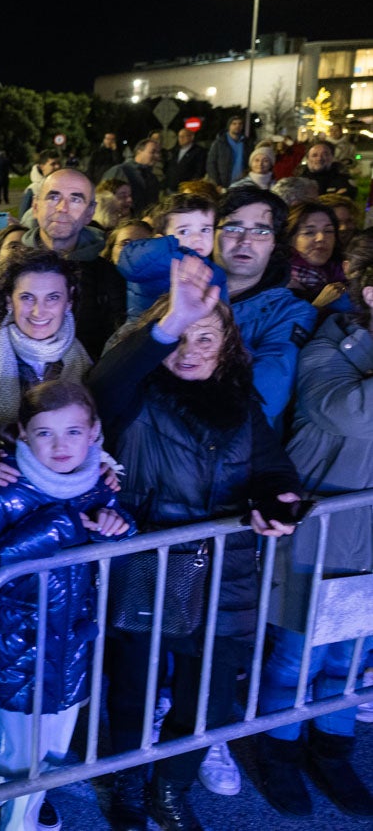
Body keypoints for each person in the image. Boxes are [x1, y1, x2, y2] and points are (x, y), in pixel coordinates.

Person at [89, 257, 302, 831]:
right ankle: (131, 787)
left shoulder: (242, 405)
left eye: (205, 335)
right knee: (134, 691)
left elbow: (274, 471)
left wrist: (278, 500)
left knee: (205, 700)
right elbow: (100, 386)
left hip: (224, 573)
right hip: (149, 565)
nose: (191, 348)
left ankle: (171, 789)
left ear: (227, 345)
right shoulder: (134, 396)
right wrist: (165, 327)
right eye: (178, 336)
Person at [0, 381, 133, 831]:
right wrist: (60, 525)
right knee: (17, 757)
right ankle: (15, 820)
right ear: (22, 434)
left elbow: (116, 530)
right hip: (16, 652)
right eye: (44, 434)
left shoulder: (97, 486)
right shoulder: (5, 493)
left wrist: (118, 524)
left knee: (50, 753)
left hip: (71, 651)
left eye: (73, 432)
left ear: (94, 432)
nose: (60, 446)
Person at [254, 257, 373, 818]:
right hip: (318, 529)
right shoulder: (327, 345)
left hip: (368, 537)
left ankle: (331, 749)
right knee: (295, 656)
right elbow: (352, 412)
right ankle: (279, 750)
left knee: (350, 656)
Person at [0, 167, 126, 361]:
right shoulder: (1, 274)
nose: (62, 208)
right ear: (35, 206)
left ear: (90, 212)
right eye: (53, 197)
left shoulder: (108, 277)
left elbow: (114, 346)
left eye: (75, 199)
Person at [0, 248, 93, 451]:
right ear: (9, 301)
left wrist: (100, 465)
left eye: (52, 298)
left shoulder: (86, 365)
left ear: (69, 301)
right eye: (26, 297)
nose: (38, 311)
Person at [212, 186, 317, 425]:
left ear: (274, 243)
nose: (245, 241)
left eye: (261, 232)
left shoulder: (293, 312)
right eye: (233, 228)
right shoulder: (173, 288)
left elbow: (265, 396)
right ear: (212, 233)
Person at [117, 193, 228, 320]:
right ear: (160, 238)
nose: (198, 238)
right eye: (184, 231)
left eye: (205, 230)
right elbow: (132, 264)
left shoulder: (216, 271)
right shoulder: (155, 261)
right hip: (147, 333)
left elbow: (223, 317)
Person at [285, 201, 344, 306]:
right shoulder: (279, 283)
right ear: (290, 239)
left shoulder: (343, 273)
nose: (321, 238)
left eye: (328, 231)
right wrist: (318, 305)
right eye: (309, 232)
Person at [104, 139, 161, 213]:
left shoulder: (153, 178)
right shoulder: (121, 170)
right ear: (139, 151)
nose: (157, 156)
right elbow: (105, 198)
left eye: (158, 153)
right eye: (153, 152)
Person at [205, 116, 251, 188]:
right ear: (229, 126)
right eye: (234, 124)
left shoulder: (247, 143)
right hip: (223, 185)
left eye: (240, 124)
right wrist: (217, 182)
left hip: (242, 184)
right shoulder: (219, 143)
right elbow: (211, 163)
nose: (237, 126)